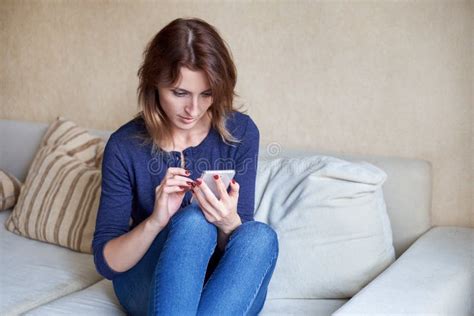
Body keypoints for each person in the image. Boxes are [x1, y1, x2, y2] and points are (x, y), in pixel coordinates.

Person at [92, 17, 279, 316]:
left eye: (206, 94)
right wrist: (156, 220)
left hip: (218, 284)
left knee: (260, 236)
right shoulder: (124, 145)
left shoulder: (241, 133)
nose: (193, 109)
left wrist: (228, 222)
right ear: (154, 84)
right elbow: (107, 262)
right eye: (179, 93)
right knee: (193, 222)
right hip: (146, 280)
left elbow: (238, 245)